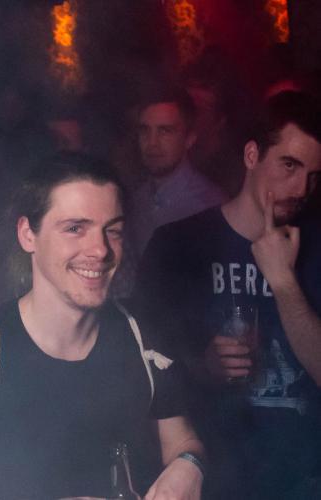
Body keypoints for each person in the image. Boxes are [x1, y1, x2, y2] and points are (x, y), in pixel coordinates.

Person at [0, 152, 204, 499]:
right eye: (75, 229)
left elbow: (182, 441)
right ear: (28, 235)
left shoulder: (143, 335)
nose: (100, 250)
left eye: (112, 231)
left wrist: (189, 464)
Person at [134, 90, 321, 500]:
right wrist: (202, 366)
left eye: (313, 175)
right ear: (252, 155)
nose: (300, 187)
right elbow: (142, 369)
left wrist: (283, 282)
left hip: (304, 481)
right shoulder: (178, 245)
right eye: (289, 165)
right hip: (215, 478)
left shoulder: (316, 246)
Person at [113, 87, 225, 298]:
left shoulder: (211, 205)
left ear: (189, 138)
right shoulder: (135, 200)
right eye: (145, 131)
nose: (152, 143)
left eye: (165, 131)